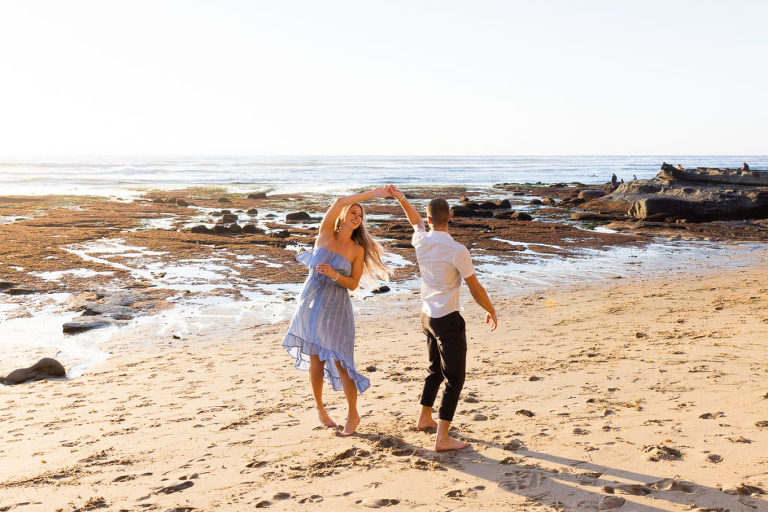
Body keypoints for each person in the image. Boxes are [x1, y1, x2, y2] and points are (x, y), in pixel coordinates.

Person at [387, 185, 497, 451]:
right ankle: (443, 438)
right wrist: (490, 309)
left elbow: (413, 221)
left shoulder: (421, 240)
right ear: (451, 216)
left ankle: (425, 418)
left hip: (427, 317)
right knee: (455, 378)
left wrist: (401, 197)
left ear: (428, 218)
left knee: (435, 370)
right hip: (447, 319)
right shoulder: (457, 250)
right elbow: (474, 287)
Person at [281, 187, 391, 436]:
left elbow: (353, 284)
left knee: (343, 362)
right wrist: (373, 194)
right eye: (353, 212)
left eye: (360, 216)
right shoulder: (324, 234)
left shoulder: (356, 250)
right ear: (342, 216)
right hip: (310, 306)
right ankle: (320, 408)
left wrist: (334, 274)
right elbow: (340, 200)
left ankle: (353, 413)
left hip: (337, 311)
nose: (356, 217)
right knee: (315, 360)